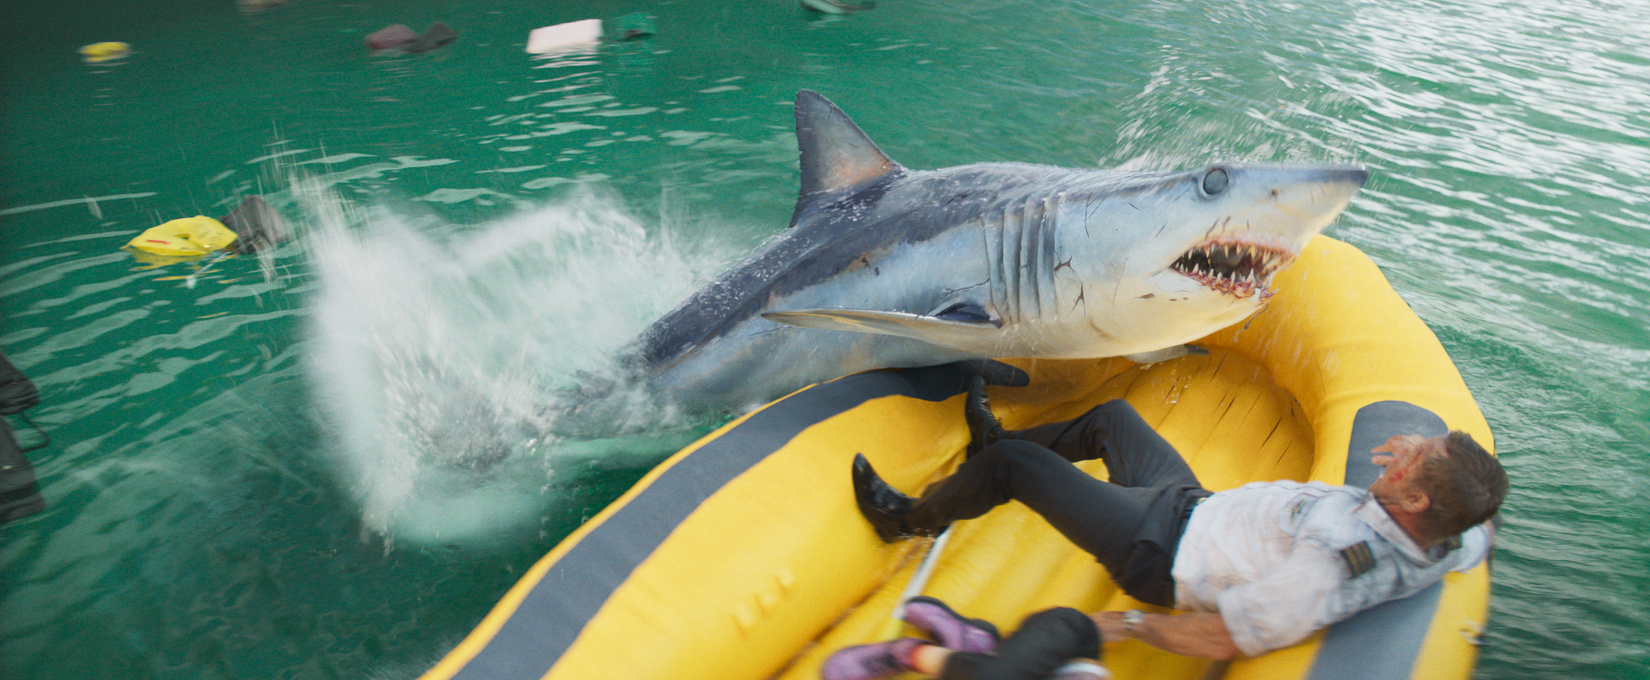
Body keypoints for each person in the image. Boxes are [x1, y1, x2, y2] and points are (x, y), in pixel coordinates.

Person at [824, 379, 1507, 679]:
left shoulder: (1334, 565)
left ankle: (903, 520)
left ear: (1414, 501)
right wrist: (1427, 463)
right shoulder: (1454, 533)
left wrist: (1123, 627)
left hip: (1160, 549)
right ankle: (988, 453)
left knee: (1014, 468)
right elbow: (1480, 521)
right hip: (1197, 506)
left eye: (1416, 457)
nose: (1404, 446)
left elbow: (1227, 634)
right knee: (1113, 418)